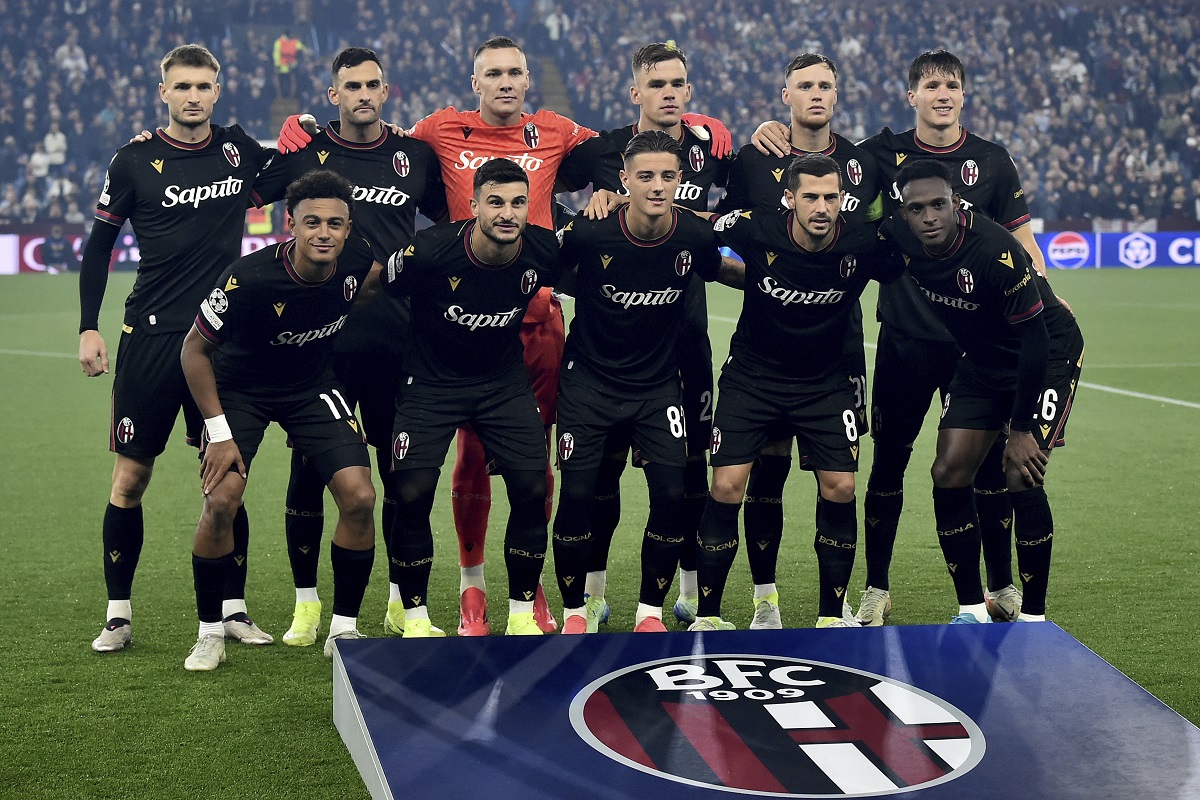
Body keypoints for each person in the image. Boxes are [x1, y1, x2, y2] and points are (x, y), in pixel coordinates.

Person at [279, 35, 619, 635]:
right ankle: (468, 591)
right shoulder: (438, 130)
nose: (508, 82)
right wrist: (302, 132)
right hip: (449, 323)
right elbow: (378, 141)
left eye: (516, 71)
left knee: (531, 462)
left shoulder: (556, 129)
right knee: (463, 459)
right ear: (475, 83)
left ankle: (529, 593)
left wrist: (625, 176)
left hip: (534, 319)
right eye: (494, 74)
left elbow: (619, 153)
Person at [754, 49, 1048, 625]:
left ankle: (1002, 587)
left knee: (984, 470)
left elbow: (1022, 241)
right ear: (911, 95)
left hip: (981, 346)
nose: (943, 94)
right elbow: (822, 166)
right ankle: (876, 587)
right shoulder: (880, 155)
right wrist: (773, 130)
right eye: (931, 85)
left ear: (964, 94)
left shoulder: (992, 161)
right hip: (908, 337)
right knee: (888, 463)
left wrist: (1043, 293)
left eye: (953, 85)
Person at [78, 44, 275, 654]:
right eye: (181, 85)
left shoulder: (238, 152)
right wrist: (89, 326)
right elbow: (98, 248)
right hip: (153, 338)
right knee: (131, 477)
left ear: (218, 90)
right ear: (163, 92)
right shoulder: (134, 160)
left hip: (220, 340)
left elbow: (304, 169)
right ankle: (117, 613)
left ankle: (234, 609)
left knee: (227, 478)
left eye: (203, 86)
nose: (193, 95)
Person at [254, 47, 446, 646]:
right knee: (308, 473)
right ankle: (306, 604)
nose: (362, 94)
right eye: (350, 86)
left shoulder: (413, 157)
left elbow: (453, 219)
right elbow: (247, 190)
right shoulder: (309, 152)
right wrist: (281, 144)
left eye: (372, 85)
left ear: (386, 90)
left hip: (397, 343)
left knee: (402, 476)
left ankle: (401, 603)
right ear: (332, 94)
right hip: (323, 348)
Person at [180, 169, 384, 670]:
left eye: (335, 224)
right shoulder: (246, 278)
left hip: (311, 388)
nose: (323, 233)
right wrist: (220, 432)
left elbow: (372, 286)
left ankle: (344, 628)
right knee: (222, 501)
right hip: (239, 392)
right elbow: (193, 352)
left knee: (360, 497)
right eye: (311, 222)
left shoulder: (357, 262)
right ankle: (210, 633)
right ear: (288, 222)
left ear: (348, 229)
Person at [691, 154, 896, 632]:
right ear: (790, 199)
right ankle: (709, 615)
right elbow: (700, 231)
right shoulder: (755, 228)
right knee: (726, 485)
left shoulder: (862, 242)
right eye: (810, 197)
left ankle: (830, 614)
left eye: (831, 197)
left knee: (842, 487)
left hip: (825, 383)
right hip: (753, 378)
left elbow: (917, 255)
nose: (822, 207)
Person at [879, 159, 1083, 624]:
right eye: (917, 208)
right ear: (903, 212)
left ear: (955, 201)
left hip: (1047, 354)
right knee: (948, 471)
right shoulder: (896, 234)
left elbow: (1035, 339)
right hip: (983, 359)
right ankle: (971, 611)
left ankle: (1033, 619)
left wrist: (1022, 427)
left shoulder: (994, 250)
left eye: (939, 205)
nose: (929, 216)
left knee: (1019, 470)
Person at [553, 130, 741, 634]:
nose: (657, 186)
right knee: (575, 496)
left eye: (667, 176)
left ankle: (649, 614)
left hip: (658, 387)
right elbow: (541, 267)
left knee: (673, 497)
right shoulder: (591, 234)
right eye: (645, 176)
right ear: (624, 180)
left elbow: (724, 269)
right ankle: (575, 612)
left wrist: (791, 271)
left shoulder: (694, 237)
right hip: (588, 384)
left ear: (680, 180)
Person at [717, 52, 881, 629]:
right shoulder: (754, 160)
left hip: (837, 344)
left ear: (838, 95)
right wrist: (760, 279)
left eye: (826, 86)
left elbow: (893, 237)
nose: (816, 94)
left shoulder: (865, 164)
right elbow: (717, 234)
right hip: (765, 343)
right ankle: (766, 601)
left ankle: (833, 610)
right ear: (784, 94)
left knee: (837, 477)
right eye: (804, 85)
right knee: (764, 471)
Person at [381, 158, 559, 637]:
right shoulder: (430, 251)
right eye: (496, 202)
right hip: (430, 386)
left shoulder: (542, 250)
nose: (507, 213)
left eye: (518, 203)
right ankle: (415, 617)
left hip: (502, 385)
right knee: (411, 493)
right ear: (474, 205)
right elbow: (383, 288)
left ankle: (522, 612)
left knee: (531, 488)